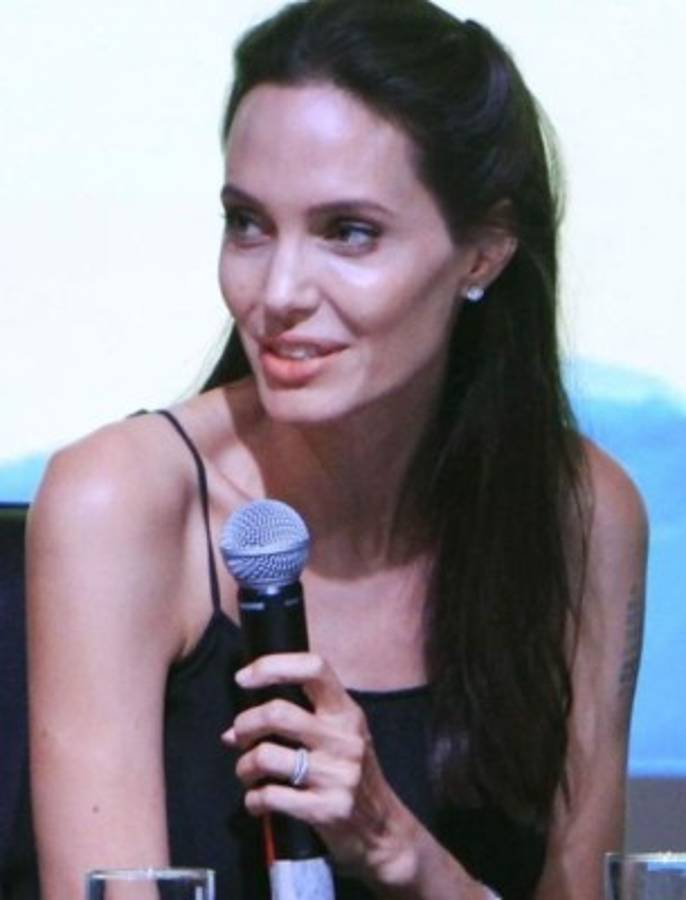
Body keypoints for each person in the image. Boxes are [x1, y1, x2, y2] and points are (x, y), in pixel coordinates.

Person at [26, 1, 648, 898]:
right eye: (248, 223)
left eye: (348, 232)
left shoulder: (580, 513)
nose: (278, 291)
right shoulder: (122, 501)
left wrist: (406, 855)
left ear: (484, 251)